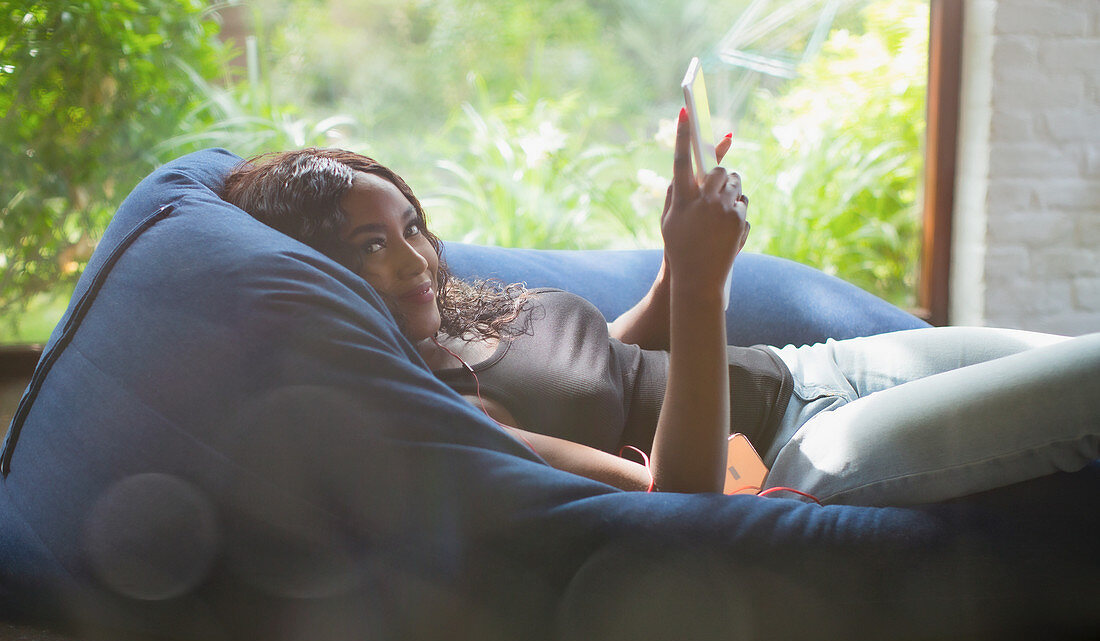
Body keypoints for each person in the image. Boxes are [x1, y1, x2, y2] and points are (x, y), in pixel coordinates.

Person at [221, 108, 1100, 506]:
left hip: (812, 369)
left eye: (411, 225)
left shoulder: (454, 309)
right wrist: (706, 286)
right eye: (370, 245)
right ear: (315, 270)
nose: (415, 257)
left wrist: (676, 275)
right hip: (808, 452)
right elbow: (674, 497)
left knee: (1069, 355)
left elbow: (594, 358)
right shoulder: (441, 413)